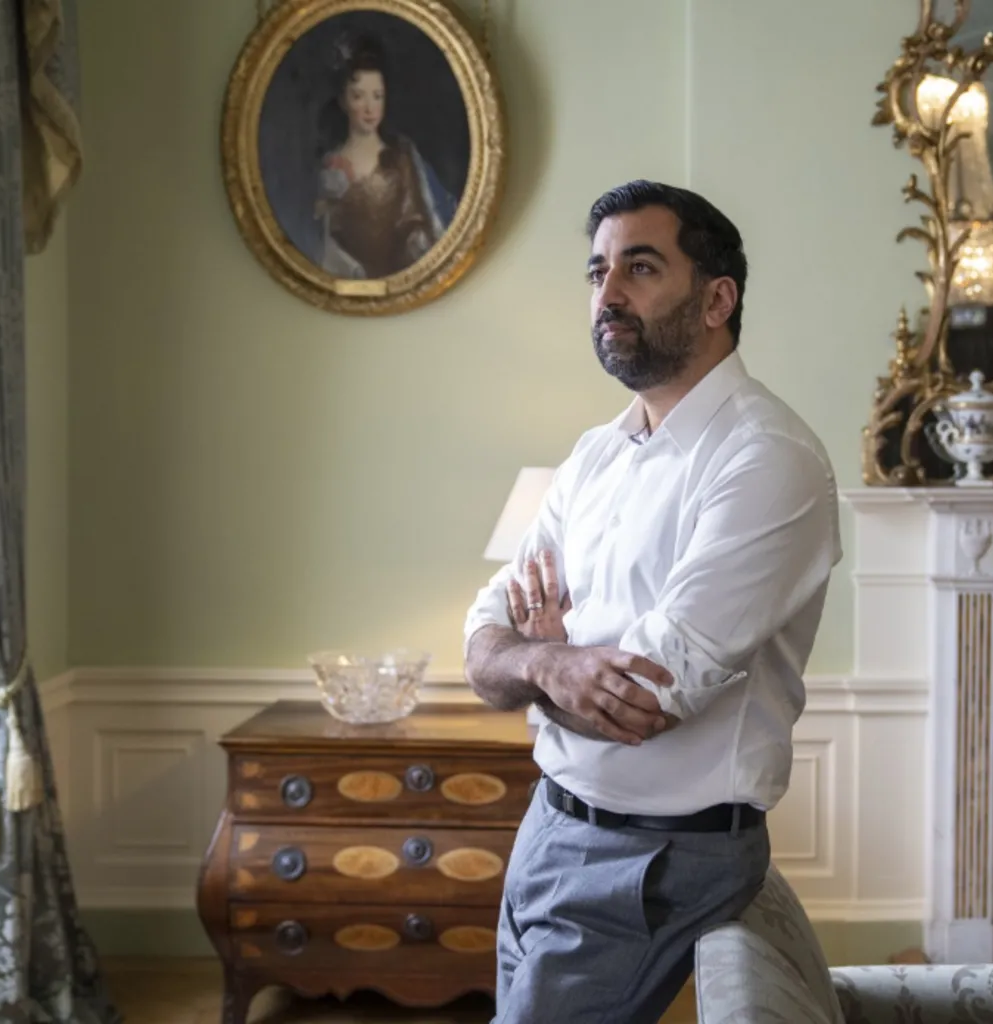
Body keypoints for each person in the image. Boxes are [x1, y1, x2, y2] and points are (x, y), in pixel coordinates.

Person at [462, 180, 842, 1022]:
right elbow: (481, 647)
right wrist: (553, 663)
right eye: (597, 271)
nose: (608, 294)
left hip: (656, 856)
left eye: (640, 267)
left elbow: (645, 701)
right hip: (550, 824)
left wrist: (536, 662)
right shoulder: (596, 454)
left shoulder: (768, 458)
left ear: (718, 298)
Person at [313, 33, 457, 279]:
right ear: (343, 100)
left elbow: (427, 221)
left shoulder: (402, 154)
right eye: (359, 96)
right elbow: (325, 243)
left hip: (406, 278)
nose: (370, 108)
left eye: (377, 96)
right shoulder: (330, 165)